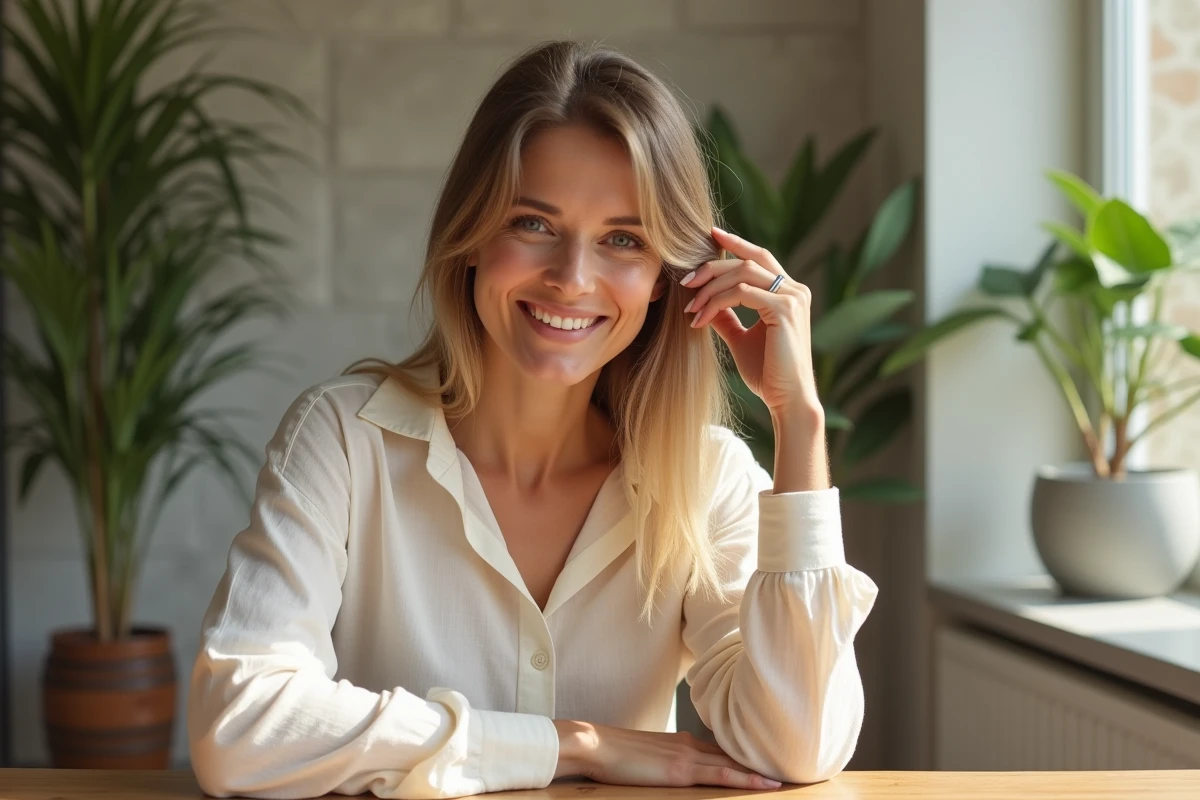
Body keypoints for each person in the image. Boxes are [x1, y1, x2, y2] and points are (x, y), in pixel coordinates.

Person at [187, 39, 879, 800]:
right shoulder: (345, 441)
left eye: (624, 239)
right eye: (534, 224)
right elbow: (240, 728)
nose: (572, 279)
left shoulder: (705, 481)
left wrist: (798, 419)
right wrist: (571, 745)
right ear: (473, 237)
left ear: (666, 280)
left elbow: (798, 746)